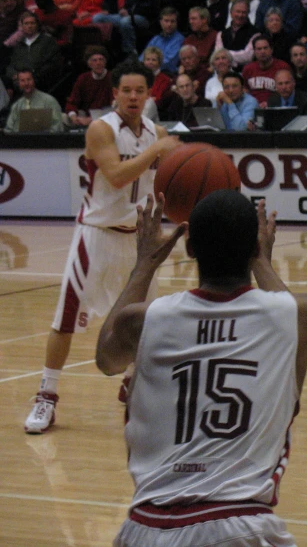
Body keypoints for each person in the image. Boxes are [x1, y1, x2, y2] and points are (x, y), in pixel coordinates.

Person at [96, 191, 307, 547]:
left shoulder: (143, 321)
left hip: (145, 529)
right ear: (255, 247)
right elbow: (297, 313)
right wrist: (260, 257)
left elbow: (106, 358)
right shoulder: (297, 316)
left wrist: (144, 266)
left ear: (189, 250)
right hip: (239, 526)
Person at [22, 60, 181, 434]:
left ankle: (133, 383)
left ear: (148, 95)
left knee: (145, 321)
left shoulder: (154, 131)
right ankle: (47, 396)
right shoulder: (100, 129)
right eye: (125, 90)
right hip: (96, 236)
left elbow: (162, 186)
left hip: (138, 240)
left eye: (139, 91)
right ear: (114, 94)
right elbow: (117, 174)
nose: (132, 97)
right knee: (65, 321)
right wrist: (159, 147)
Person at [5, 11, 61, 92]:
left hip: (40, 80)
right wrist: (14, 74)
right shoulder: (19, 44)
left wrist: (31, 76)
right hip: (19, 81)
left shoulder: (47, 41)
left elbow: (52, 63)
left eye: (32, 23)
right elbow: (11, 65)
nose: (29, 26)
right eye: (26, 24)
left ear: (37, 25)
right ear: (22, 26)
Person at [91, 0, 155, 59]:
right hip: (121, 15)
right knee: (97, 18)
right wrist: (107, 9)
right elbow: (109, 2)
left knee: (125, 22)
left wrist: (129, 12)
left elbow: (149, 8)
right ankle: (104, 51)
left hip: (142, 17)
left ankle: (130, 52)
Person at [64, 45, 112, 129]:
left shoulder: (112, 78)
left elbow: (115, 106)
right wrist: (74, 117)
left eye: (101, 60)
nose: (98, 63)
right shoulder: (83, 78)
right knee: (64, 118)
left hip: (107, 115)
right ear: (89, 64)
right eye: (94, 60)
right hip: (86, 114)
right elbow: (72, 102)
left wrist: (91, 119)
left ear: (105, 62)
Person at [4, 67, 63, 132]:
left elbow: (58, 126)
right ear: (19, 83)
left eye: (29, 79)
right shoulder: (16, 106)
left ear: (34, 80)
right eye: (22, 80)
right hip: (20, 141)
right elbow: (8, 130)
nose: (26, 83)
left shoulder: (49, 101)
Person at [241, 34, 290, 106]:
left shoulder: (283, 67)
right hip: (253, 109)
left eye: (265, 48)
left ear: (271, 50)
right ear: (254, 51)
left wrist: (270, 103)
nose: (262, 51)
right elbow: (244, 90)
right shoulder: (248, 69)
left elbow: (289, 91)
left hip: (276, 108)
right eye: (259, 49)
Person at [139, 7, 185, 75]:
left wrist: (148, 64)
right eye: (166, 21)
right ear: (161, 22)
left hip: (167, 74)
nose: (169, 24)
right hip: (149, 72)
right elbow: (142, 58)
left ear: (176, 23)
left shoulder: (180, 39)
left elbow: (167, 63)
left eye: (172, 21)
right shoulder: (156, 39)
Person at [214, 0, 257, 67]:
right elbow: (217, 55)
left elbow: (248, 56)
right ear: (231, 12)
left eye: (244, 12)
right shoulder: (221, 34)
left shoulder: (255, 33)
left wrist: (224, 55)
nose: (240, 15)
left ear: (248, 13)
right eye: (238, 11)